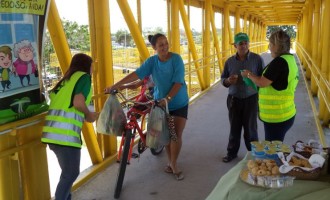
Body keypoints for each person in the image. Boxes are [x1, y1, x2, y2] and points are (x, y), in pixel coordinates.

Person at [105, 33, 189, 181]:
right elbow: (136, 75)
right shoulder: (152, 62)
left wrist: (167, 99)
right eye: (160, 45)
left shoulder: (176, 59)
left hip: (178, 102)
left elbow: (178, 82)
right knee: (167, 135)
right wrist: (115, 85)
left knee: (176, 134)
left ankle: (174, 164)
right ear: (154, 47)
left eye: (166, 43)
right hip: (160, 103)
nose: (164, 47)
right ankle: (170, 162)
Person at [41, 53, 98, 200]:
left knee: (67, 173)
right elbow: (78, 102)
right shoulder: (84, 77)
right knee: (70, 174)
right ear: (87, 65)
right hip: (65, 136)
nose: (93, 69)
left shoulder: (64, 81)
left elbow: (66, 105)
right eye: (92, 65)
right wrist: (89, 114)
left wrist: (86, 115)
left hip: (51, 135)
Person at [241, 29, 298, 142]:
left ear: (277, 46)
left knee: (272, 152)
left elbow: (262, 82)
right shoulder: (290, 60)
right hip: (286, 113)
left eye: (271, 44)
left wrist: (248, 75)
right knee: (276, 147)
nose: (269, 47)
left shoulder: (279, 62)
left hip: (277, 117)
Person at [221, 32, 264, 163]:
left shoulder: (257, 59)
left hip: (251, 98)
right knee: (234, 128)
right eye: (241, 43)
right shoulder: (229, 62)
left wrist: (252, 77)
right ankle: (231, 153)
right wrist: (228, 81)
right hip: (234, 99)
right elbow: (223, 79)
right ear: (235, 45)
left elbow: (263, 79)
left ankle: (254, 154)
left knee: (251, 129)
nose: (244, 45)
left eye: (246, 42)